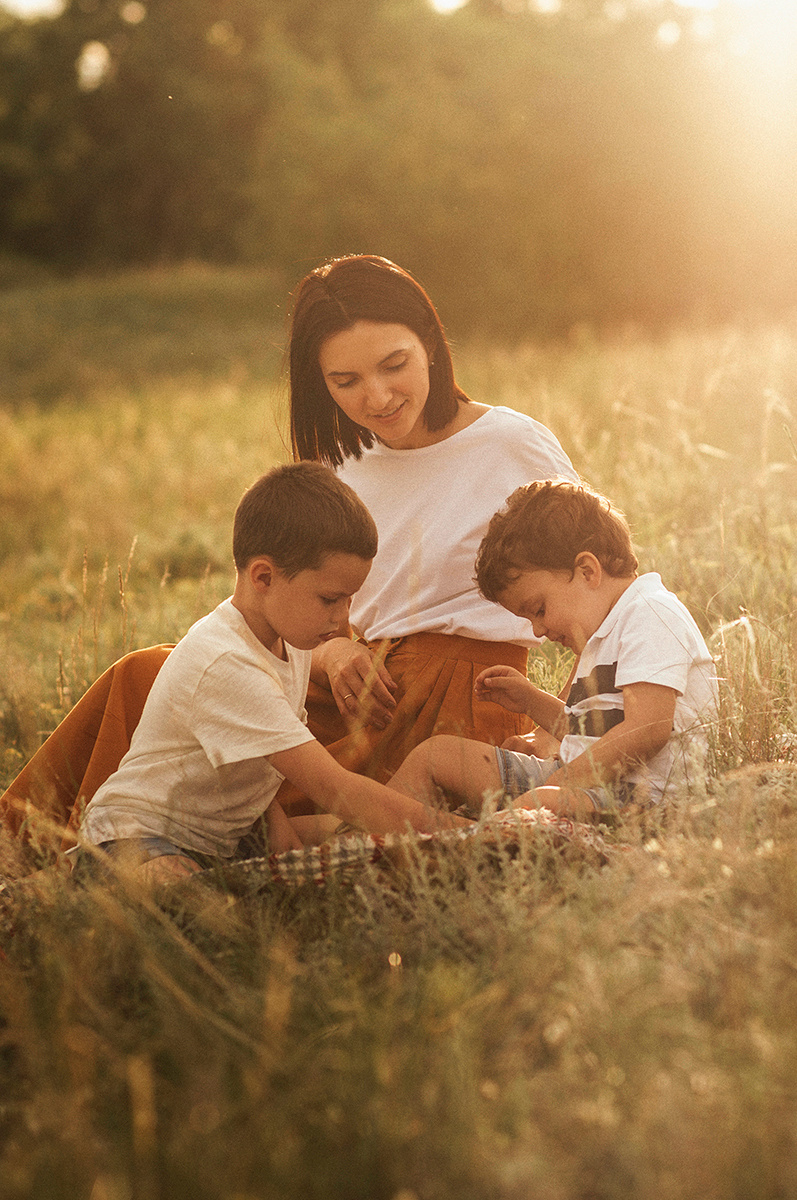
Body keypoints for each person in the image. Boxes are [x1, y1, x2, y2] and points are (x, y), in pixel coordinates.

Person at [70, 463, 469, 887]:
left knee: (352, 842)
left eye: (350, 600)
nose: (343, 619)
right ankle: (79, 887)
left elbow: (249, 763)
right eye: (330, 599)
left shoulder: (285, 638)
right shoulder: (226, 663)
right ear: (264, 576)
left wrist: (279, 832)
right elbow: (336, 788)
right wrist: (461, 836)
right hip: (133, 839)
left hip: (224, 837)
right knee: (189, 894)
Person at [284, 254, 579, 806]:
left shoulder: (510, 445)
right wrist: (333, 655)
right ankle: (96, 836)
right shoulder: (336, 466)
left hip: (460, 705)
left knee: (288, 810)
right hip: (354, 694)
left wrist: (555, 728)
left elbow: (603, 601)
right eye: (345, 381)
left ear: (431, 344)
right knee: (150, 678)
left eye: (394, 364)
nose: (376, 397)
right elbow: (289, 612)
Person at [387, 480, 719, 820]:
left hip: (643, 798)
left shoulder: (650, 612)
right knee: (436, 756)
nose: (537, 630)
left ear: (587, 571)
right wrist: (531, 700)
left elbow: (646, 729)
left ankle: (464, 841)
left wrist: (561, 783)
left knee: (539, 805)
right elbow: (587, 733)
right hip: (581, 783)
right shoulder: (602, 632)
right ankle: (365, 831)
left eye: (539, 609)